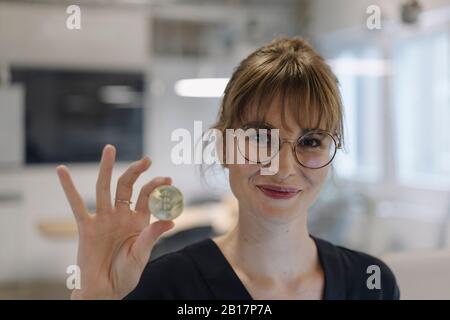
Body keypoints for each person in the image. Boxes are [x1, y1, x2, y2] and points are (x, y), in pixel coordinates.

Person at [56, 36, 400, 300]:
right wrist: (98, 295)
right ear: (223, 146)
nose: (281, 167)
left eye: (311, 142)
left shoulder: (371, 283)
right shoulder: (166, 286)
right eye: (261, 138)